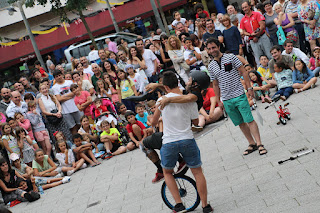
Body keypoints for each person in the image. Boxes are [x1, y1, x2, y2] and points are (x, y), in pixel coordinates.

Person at [150, 71, 213, 213]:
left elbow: (154, 122)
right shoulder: (188, 99)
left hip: (169, 141)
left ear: (165, 87)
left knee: (167, 172)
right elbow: (196, 121)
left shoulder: (162, 101)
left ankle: (178, 204)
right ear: (177, 82)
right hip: (187, 139)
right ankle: (205, 206)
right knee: (197, 172)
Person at [207, 38, 268, 156]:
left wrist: (249, 88)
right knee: (240, 122)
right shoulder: (211, 66)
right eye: (209, 49)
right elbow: (215, 84)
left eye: (213, 47)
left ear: (219, 47)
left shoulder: (231, 57)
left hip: (239, 94)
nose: (212, 50)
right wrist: (219, 100)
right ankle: (252, 143)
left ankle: (260, 143)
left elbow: (244, 72)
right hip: (226, 98)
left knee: (249, 119)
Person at [240, 1, 273, 65]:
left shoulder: (257, 14)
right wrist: (250, 34)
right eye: (243, 8)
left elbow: (262, 25)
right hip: (253, 40)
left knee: (269, 55)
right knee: (258, 59)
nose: (244, 9)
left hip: (262, 37)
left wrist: (257, 35)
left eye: (246, 7)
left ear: (250, 6)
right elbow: (243, 31)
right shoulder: (243, 19)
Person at [52, 70, 81, 135]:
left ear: (62, 75)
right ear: (55, 78)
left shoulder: (69, 82)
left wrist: (63, 97)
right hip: (65, 110)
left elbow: (75, 92)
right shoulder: (54, 87)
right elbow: (59, 99)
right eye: (57, 76)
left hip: (75, 106)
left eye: (59, 75)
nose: (59, 77)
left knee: (80, 124)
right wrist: (69, 95)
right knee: (73, 127)